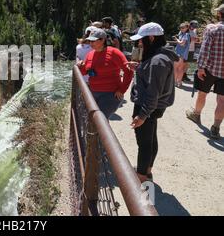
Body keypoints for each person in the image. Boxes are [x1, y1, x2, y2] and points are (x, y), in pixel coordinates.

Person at [128, 23, 179, 183]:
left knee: (144, 142)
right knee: (150, 138)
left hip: (148, 106)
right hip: (152, 106)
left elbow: (153, 92)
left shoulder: (158, 60)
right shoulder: (158, 55)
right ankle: (147, 170)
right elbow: (151, 77)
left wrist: (142, 115)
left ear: (151, 38)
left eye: (141, 40)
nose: (139, 44)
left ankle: (142, 177)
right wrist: (139, 68)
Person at [77, 28, 134, 120]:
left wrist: (122, 90)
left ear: (103, 40)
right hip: (93, 92)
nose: (91, 43)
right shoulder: (90, 54)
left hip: (110, 95)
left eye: (93, 41)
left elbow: (129, 71)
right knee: (93, 121)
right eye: (90, 41)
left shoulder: (114, 52)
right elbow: (85, 72)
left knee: (99, 120)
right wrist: (81, 66)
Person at [186, 4, 224, 140]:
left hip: (210, 68)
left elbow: (205, 49)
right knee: (222, 101)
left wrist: (201, 67)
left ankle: (196, 114)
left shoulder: (212, 29)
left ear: (219, 14)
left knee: (202, 93)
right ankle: (216, 128)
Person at [173, 23, 191, 87]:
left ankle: (175, 82)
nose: (181, 29)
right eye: (180, 28)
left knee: (176, 68)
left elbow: (182, 44)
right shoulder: (183, 33)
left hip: (180, 53)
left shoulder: (186, 34)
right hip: (181, 53)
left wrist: (176, 39)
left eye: (183, 28)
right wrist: (178, 36)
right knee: (180, 68)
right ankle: (179, 82)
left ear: (187, 28)